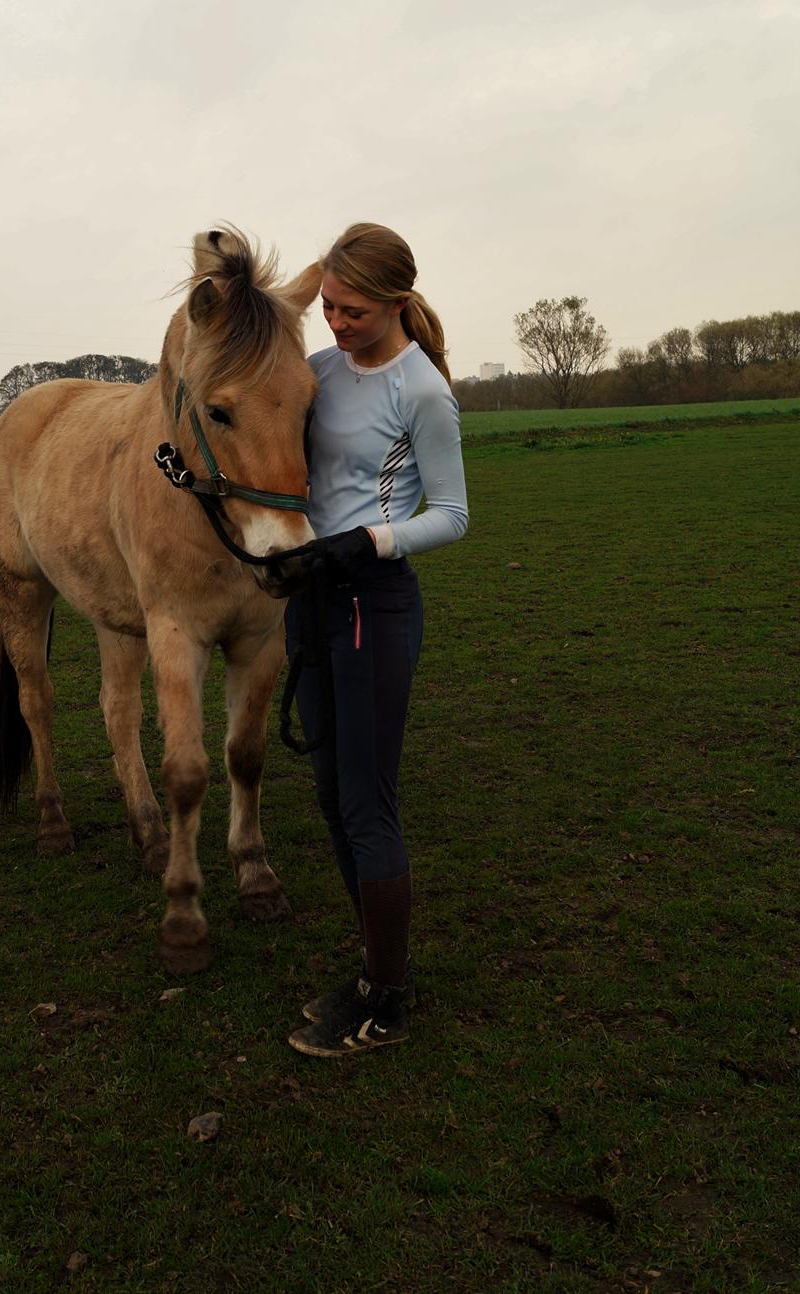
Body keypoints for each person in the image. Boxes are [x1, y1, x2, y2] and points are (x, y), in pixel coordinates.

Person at [286, 222, 469, 1058]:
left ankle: (387, 999)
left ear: (397, 302)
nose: (336, 323)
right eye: (327, 306)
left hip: (372, 602)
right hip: (313, 600)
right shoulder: (319, 371)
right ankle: (373, 967)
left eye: (353, 310)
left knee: (367, 802)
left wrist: (369, 542)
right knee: (329, 795)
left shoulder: (420, 389)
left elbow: (454, 516)